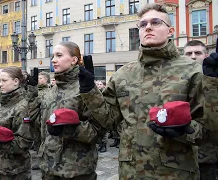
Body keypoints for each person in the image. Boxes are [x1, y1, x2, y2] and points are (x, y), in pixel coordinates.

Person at [79, 3, 205, 179]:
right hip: (131, 172)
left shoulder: (191, 71)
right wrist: (89, 90)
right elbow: (109, 119)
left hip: (174, 173)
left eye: (156, 22)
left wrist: (185, 130)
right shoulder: (123, 73)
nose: (148, 27)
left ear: (170, 31)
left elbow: (207, 129)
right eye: (143, 24)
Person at [38, 41, 104, 179]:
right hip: (48, 167)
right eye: (53, 56)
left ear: (74, 60)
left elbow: (98, 130)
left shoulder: (86, 89)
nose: (53, 60)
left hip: (75, 170)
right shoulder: (51, 91)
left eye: (59, 55)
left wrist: (68, 128)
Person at [0, 66, 34, 180]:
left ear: (16, 81)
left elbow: (23, 142)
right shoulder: (2, 103)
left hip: (13, 170)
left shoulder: (22, 107)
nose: (0, 84)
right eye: (0, 81)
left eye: (4, 81)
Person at [184, 40, 217, 180]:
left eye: (197, 53)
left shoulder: (213, 78)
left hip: (209, 156)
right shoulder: (177, 80)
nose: (193, 57)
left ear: (206, 55)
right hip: (182, 156)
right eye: (188, 53)